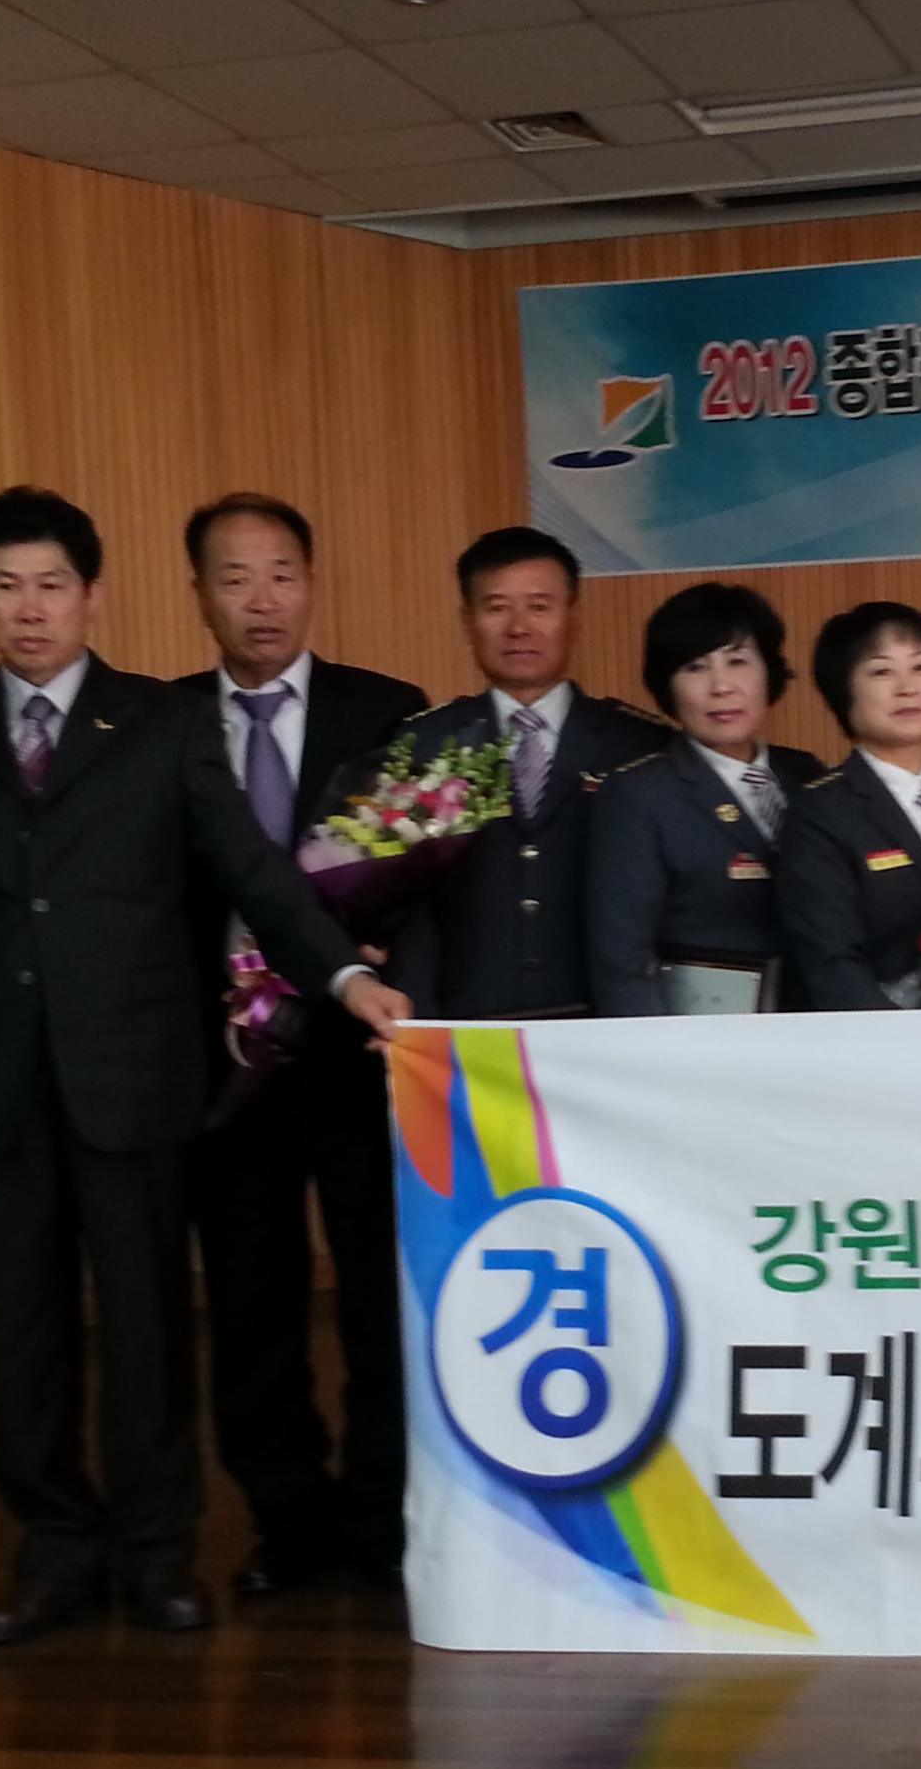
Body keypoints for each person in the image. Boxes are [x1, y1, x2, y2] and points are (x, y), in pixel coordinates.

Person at [0, 487, 408, 1649]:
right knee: (23, 1336)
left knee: (146, 1329)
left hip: (135, 1076)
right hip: (0, 1087)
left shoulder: (163, 723)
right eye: (6, 587)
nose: (30, 609)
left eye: (51, 585)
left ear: (94, 595)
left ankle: (156, 1550)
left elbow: (254, 872)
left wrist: (341, 977)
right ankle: (52, 1550)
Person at [168, 494, 426, 1597]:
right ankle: (286, 1519)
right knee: (251, 1300)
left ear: (311, 583)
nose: (261, 599)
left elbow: (426, 876)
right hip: (227, 1063)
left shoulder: (387, 711)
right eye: (234, 578)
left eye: (280, 573)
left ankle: (381, 1516)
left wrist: (385, 944)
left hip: (360, 1056)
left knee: (379, 1296)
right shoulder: (163, 723)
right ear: (199, 595)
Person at [385, 527, 664, 1020]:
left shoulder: (638, 744)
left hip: (603, 1022)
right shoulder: (424, 742)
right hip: (467, 1025)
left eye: (539, 606)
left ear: (572, 617)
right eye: (497, 608)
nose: (518, 627)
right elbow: (408, 908)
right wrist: (416, 1025)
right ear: (467, 620)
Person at [589, 582, 823, 1015]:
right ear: (667, 686)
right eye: (695, 667)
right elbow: (622, 961)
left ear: (769, 671)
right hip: (701, 1034)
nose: (721, 686)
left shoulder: (808, 776)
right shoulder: (639, 793)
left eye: (738, 661)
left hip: (818, 1031)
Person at [778, 601, 921, 1011]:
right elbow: (831, 963)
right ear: (843, 691)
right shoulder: (821, 812)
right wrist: (896, 1039)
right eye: (882, 671)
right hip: (876, 1037)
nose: (907, 687)